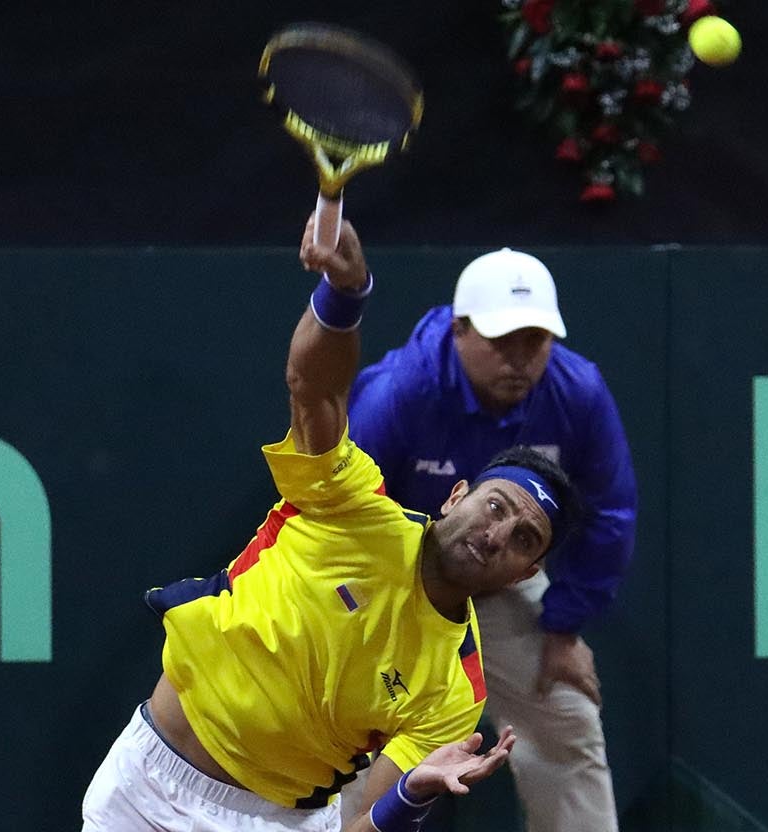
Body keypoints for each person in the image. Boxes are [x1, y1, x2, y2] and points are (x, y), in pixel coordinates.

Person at [80, 217, 582, 832]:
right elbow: (312, 389)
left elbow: (360, 825)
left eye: (524, 540)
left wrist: (411, 794)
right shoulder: (352, 504)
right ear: (456, 496)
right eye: (496, 506)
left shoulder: (456, 688)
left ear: (525, 573)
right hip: (145, 785)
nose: (498, 533)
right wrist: (344, 297)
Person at [343, 248, 637, 832]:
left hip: (501, 584)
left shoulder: (577, 392)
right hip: (390, 580)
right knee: (352, 736)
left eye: (536, 341)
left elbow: (610, 512)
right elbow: (344, 512)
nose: (520, 359)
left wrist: (562, 628)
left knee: (567, 715)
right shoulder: (399, 392)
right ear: (460, 329)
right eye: (503, 341)